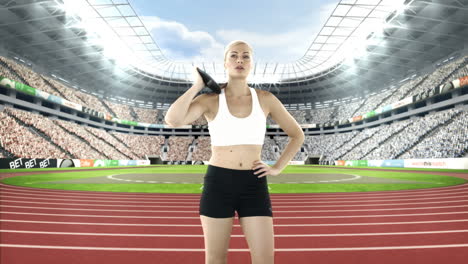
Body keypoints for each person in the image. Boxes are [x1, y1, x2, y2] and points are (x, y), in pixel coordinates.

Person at [165, 40, 304, 264]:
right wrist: (195, 87)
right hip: (219, 182)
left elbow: (297, 135)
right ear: (225, 62)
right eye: (234, 55)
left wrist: (277, 168)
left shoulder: (266, 99)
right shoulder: (209, 99)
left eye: (246, 56)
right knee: (216, 259)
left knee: (264, 259)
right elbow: (172, 120)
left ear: (252, 64)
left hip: (254, 183)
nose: (240, 59)